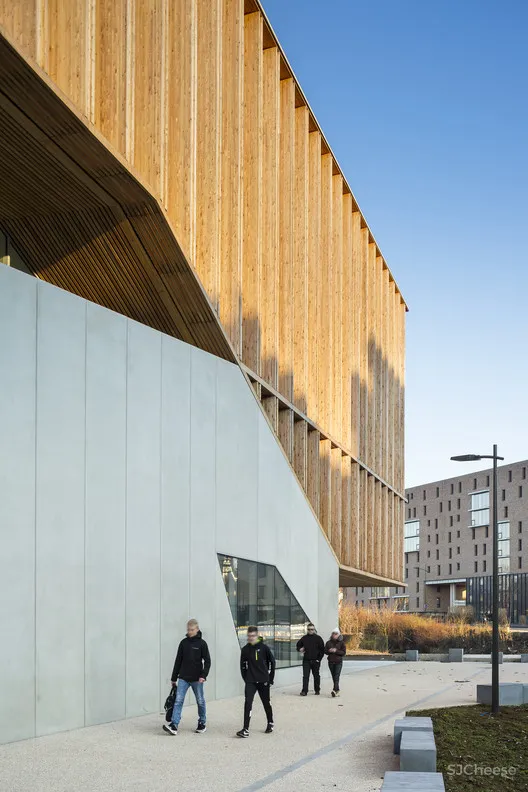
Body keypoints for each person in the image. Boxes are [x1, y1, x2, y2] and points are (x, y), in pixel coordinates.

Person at [163, 618, 211, 735]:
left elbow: (208, 661)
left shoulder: (202, 644)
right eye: (188, 630)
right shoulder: (183, 643)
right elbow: (178, 661)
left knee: (200, 701)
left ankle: (202, 723)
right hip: (183, 677)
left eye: (192, 630)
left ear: (197, 629)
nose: (189, 632)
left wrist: (203, 675)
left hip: (197, 679)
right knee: (178, 701)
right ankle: (174, 725)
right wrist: (174, 678)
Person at [236, 626, 276, 738]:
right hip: (250, 681)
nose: (251, 638)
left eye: (253, 636)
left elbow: (272, 662)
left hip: (263, 680)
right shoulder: (245, 649)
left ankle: (270, 722)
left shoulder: (264, 648)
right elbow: (242, 666)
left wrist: (270, 678)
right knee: (248, 702)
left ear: (257, 636)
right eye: (249, 636)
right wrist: (246, 678)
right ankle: (245, 729)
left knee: (266, 702)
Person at [296, 623, 325, 696]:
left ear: (314, 629)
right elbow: (298, 645)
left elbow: (322, 650)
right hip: (306, 660)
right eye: (309, 629)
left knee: (316, 676)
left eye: (312, 629)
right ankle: (304, 691)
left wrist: (319, 659)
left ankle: (317, 689)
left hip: (315, 660)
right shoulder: (304, 638)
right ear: (307, 630)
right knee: (305, 676)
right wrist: (300, 649)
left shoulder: (318, 638)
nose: (310, 631)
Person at [324, 628, 346, 697]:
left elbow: (343, 653)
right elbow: (325, 651)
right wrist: (329, 651)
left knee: (336, 676)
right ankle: (337, 690)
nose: (334, 635)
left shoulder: (341, 643)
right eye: (333, 633)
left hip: (338, 662)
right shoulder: (328, 642)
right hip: (331, 662)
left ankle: (334, 690)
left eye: (336, 634)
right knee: (334, 676)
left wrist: (336, 651)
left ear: (339, 635)